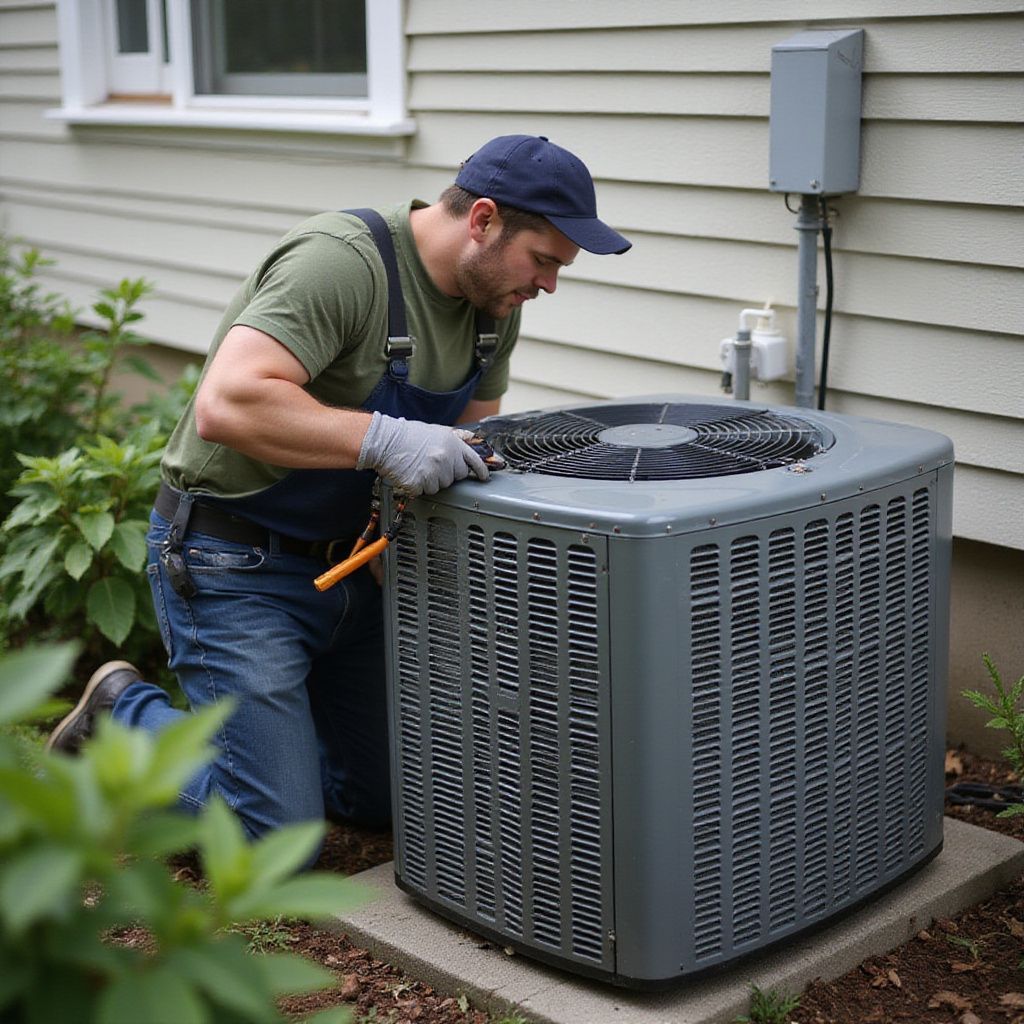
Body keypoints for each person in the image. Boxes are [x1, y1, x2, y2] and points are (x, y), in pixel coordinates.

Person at [47, 134, 631, 846]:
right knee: (277, 844)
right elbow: (227, 404)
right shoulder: (343, 264)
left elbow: (468, 458)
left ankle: (271, 756)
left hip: (358, 570)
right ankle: (122, 717)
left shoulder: (492, 310)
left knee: (390, 798)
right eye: (543, 260)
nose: (548, 285)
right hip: (233, 564)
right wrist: (385, 440)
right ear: (482, 219)